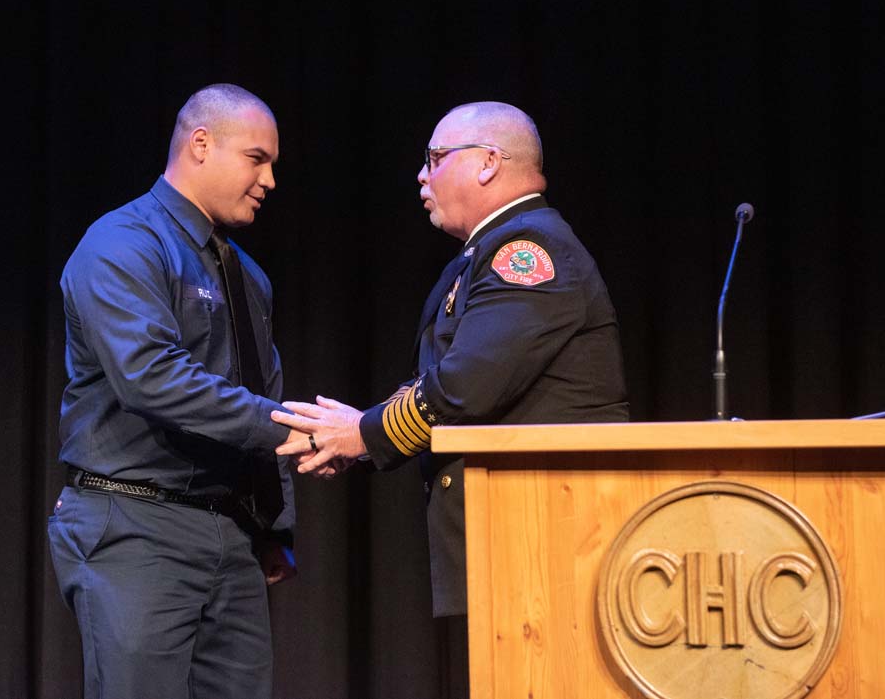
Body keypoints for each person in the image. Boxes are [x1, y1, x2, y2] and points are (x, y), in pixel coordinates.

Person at [274, 101, 629, 622]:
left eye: (435, 158)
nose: (422, 175)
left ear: (488, 162)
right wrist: (359, 437)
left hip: (546, 537)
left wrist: (364, 433)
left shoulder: (527, 250)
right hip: (514, 539)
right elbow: (440, 381)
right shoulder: (487, 252)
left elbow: (465, 386)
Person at [49, 84, 300, 699]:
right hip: (137, 524)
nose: (269, 180)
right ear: (200, 144)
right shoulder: (123, 244)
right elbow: (152, 378)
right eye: (256, 159)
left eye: (273, 164)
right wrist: (287, 428)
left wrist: (275, 527)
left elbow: (264, 390)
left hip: (230, 533)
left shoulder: (249, 276)